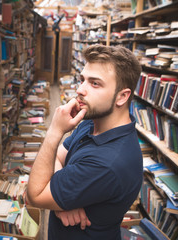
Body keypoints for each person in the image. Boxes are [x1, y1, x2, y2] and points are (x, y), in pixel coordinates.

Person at [26, 44, 143, 239]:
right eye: (82, 80)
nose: (80, 90)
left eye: (94, 83)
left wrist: (54, 131)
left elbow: (34, 195)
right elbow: (57, 157)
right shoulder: (92, 122)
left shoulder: (107, 163)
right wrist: (62, 203)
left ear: (122, 96)